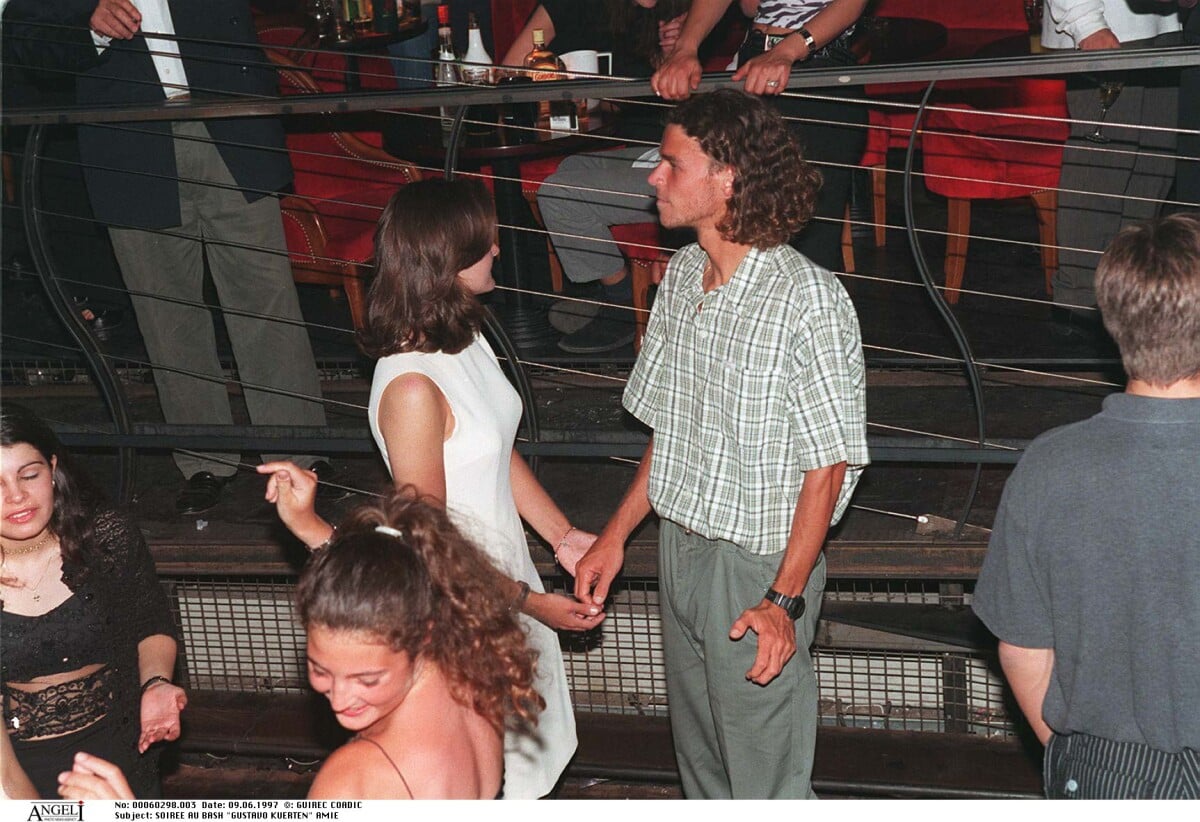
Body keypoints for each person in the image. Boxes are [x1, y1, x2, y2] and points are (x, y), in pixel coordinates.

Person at [255, 178, 602, 799]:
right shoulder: (411, 387)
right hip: (462, 604)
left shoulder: (463, 336)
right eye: (483, 241)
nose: (497, 247)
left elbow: (496, 448)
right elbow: (427, 547)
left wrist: (565, 537)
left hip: (505, 579)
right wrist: (528, 602)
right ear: (446, 259)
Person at [573, 89, 868, 798]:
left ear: (728, 176)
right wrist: (613, 538)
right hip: (682, 546)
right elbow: (670, 428)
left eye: (671, 164)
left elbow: (826, 469)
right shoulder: (679, 277)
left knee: (762, 777)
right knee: (702, 763)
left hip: (758, 566)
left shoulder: (809, 298)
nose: (653, 177)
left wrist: (783, 601)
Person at [1, 0, 334, 515]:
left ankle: (300, 454)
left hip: (230, 122)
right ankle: (204, 460)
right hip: (130, 140)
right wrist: (87, 23)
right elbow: (24, 34)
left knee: (267, 302)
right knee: (167, 314)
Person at [59, 490, 545, 800]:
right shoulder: (471, 677)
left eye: (366, 678)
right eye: (319, 669)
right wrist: (308, 524)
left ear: (425, 636)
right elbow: (393, 573)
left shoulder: (357, 776)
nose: (339, 696)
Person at [972, 214, 1200, 800]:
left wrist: (1076, 755)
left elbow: (1022, 647)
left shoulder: (1049, 465)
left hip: (1103, 770)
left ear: (1112, 319)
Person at [0, 403, 184, 798]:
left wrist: (155, 683)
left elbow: (150, 619)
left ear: (53, 468)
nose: (16, 496)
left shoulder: (105, 535)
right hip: (18, 762)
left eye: (29, 475)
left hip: (122, 737)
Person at [501, 0, 694, 353]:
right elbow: (510, 69)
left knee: (558, 193)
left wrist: (679, 51)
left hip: (681, 154)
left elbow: (695, 104)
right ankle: (613, 290)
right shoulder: (598, 9)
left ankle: (620, 303)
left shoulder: (692, 13)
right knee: (569, 171)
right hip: (633, 147)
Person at [651, 0, 868, 278]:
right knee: (729, 221)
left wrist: (788, 50)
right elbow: (750, 7)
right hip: (755, 58)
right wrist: (685, 47)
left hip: (816, 64)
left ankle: (809, 317)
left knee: (807, 238)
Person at [1042, 0, 1182, 313]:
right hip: (1104, 27)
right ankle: (1077, 302)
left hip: (1171, 23)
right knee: (1101, 169)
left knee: (1155, 166)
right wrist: (1086, 23)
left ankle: (1128, 288)